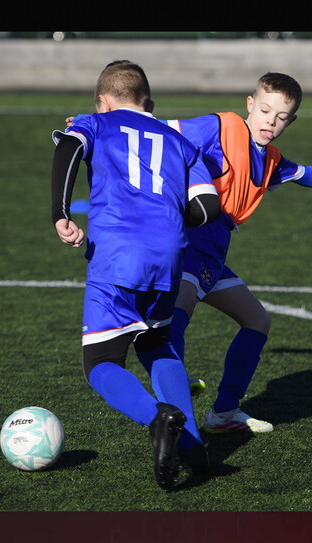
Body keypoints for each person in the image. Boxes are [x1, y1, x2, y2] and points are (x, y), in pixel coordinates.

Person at [159, 72, 312, 434]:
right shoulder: (219, 127)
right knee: (178, 314)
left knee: (257, 321)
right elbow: (152, 129)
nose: (271, 120)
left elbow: (309, 174)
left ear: (291, 121)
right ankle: (172, 405)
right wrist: (97, 125)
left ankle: (223, 412)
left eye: (281, 117)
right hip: (188, 242)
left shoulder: (269, 160)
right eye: (265, 110)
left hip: (214, 253)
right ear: (250, 104)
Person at [50, 60, 220, 488]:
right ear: (151, 104)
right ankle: (193, 445)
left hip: (116, 255)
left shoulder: (97, 123)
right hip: (168, 257)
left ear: (103, 102)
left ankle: (158, 418)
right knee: (156, 341)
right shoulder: (177, 139)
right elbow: (206, 208)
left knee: (101, 363)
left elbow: (67, 149)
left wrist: (61, 213)